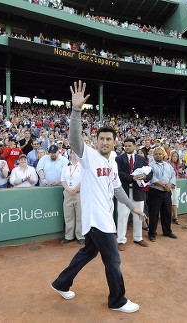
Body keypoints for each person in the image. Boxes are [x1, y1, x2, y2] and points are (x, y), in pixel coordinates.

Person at [51, 80, 146, 314]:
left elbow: (117, 190)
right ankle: (117, 300)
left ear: (114, 143)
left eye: (108, 139)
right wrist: (76, 111)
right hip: (97, 219)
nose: (105, 142)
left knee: (88, 252)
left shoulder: (112, 163)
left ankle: (62, 282)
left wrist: (133, 207)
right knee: (113, 260)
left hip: (104, 217)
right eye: (101, 138)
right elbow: (74, 140)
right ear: (96, 141)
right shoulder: (89, 156)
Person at [115, 138, 152, 250]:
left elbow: (149, 171)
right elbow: (118, 173)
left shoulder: (141, 159)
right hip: (123, 191)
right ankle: (121, 240)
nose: (127, 148)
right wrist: (132, 178)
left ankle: (138, 237)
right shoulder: (119, 158)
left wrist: (145, 177)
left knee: (139, 215)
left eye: (129, 145)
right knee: (122, 216)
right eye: (125, 146)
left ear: (135, 147)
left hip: (138, 191)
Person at [147, 147, 177, 242]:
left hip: (167, 193)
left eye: (160, 154)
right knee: (154, 214)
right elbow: (151, 178)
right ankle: (152, 234)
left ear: (163, 155)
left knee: (167, 213)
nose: (158, 155)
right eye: (156, 154)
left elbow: (173, 175)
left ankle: (167, 231)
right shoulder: (150, 166)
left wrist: (169, 184)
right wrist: (163, 185)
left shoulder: (168, 165)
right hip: (155, 192)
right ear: (153, 155)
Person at [60, 150, 84, 245]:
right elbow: (62, 180)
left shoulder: (83, 166)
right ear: (70, 154)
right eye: (73, 153)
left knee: (80, 216)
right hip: (68, 193)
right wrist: (68, 189)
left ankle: (81, 236)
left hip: (80, 193)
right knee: (68, 215)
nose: (74, 154)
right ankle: (69, 236)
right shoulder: (66, 166)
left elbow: (85, 179)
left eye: (76, 152)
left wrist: (77, 188)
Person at [168, 151, 182, 225]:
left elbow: (177, 175)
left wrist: (175, 182)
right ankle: (169, 217)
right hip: (168, 185)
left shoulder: (177, 165)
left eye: (176, 156)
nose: (175, 158)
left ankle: (175, 217)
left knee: (175, 201)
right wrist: (171, 184)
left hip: (174, 185)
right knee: (169, 202)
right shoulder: (167, 164)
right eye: (174, 156)